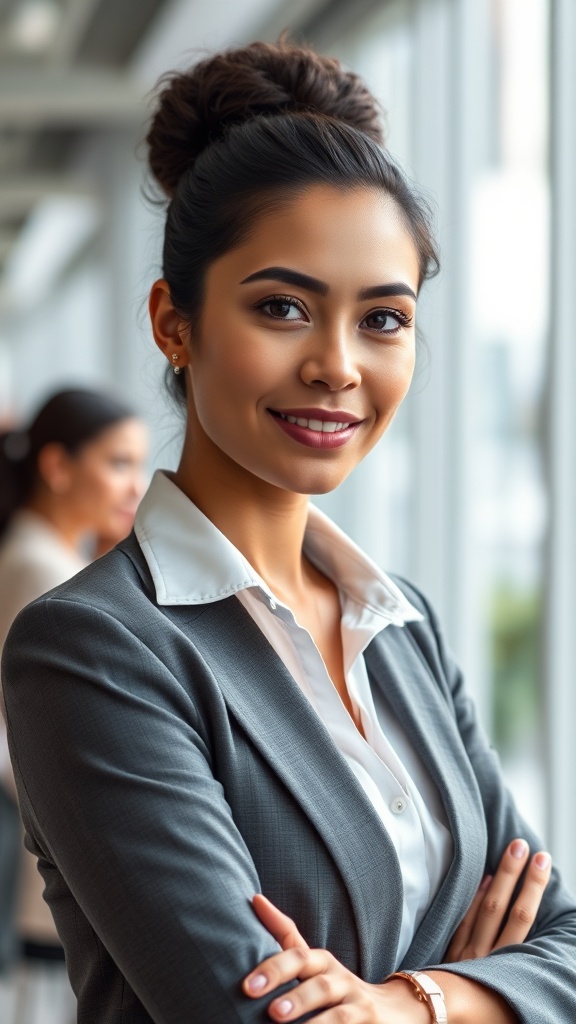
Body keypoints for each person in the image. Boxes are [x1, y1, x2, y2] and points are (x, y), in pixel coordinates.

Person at [1, 39, 575, 1024]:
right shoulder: (94, 647)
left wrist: (407, 1002)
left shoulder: (407, 628)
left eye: (383, 320)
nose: (337, 366)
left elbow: (565, 943)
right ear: (173, 323)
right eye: (282, 308)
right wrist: (486, 989)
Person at [0, 388, 148, 1024]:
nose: (135, 486)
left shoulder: (50, 559)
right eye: (118, 463)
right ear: (58, 467)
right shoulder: (36, 567)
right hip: (48, 858)